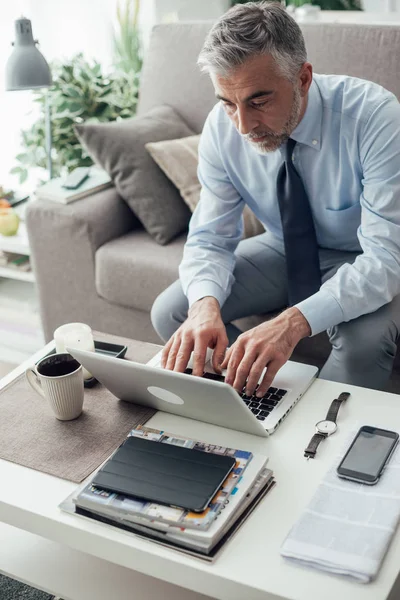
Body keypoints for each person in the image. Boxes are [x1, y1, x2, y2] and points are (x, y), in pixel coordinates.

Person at [151, 1, 400, 397]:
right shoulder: (222, 128)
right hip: (283, 248)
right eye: (228, 102)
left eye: (259, 101)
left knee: (363, 346)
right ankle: (262, 401)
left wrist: (292, 323)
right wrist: (204, 305)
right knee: (176, 311)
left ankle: (317, 437)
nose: (243, 125)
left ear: (303, 78)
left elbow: (387, 257)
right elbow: (210, 238)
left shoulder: (375, 117)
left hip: (364, 256)